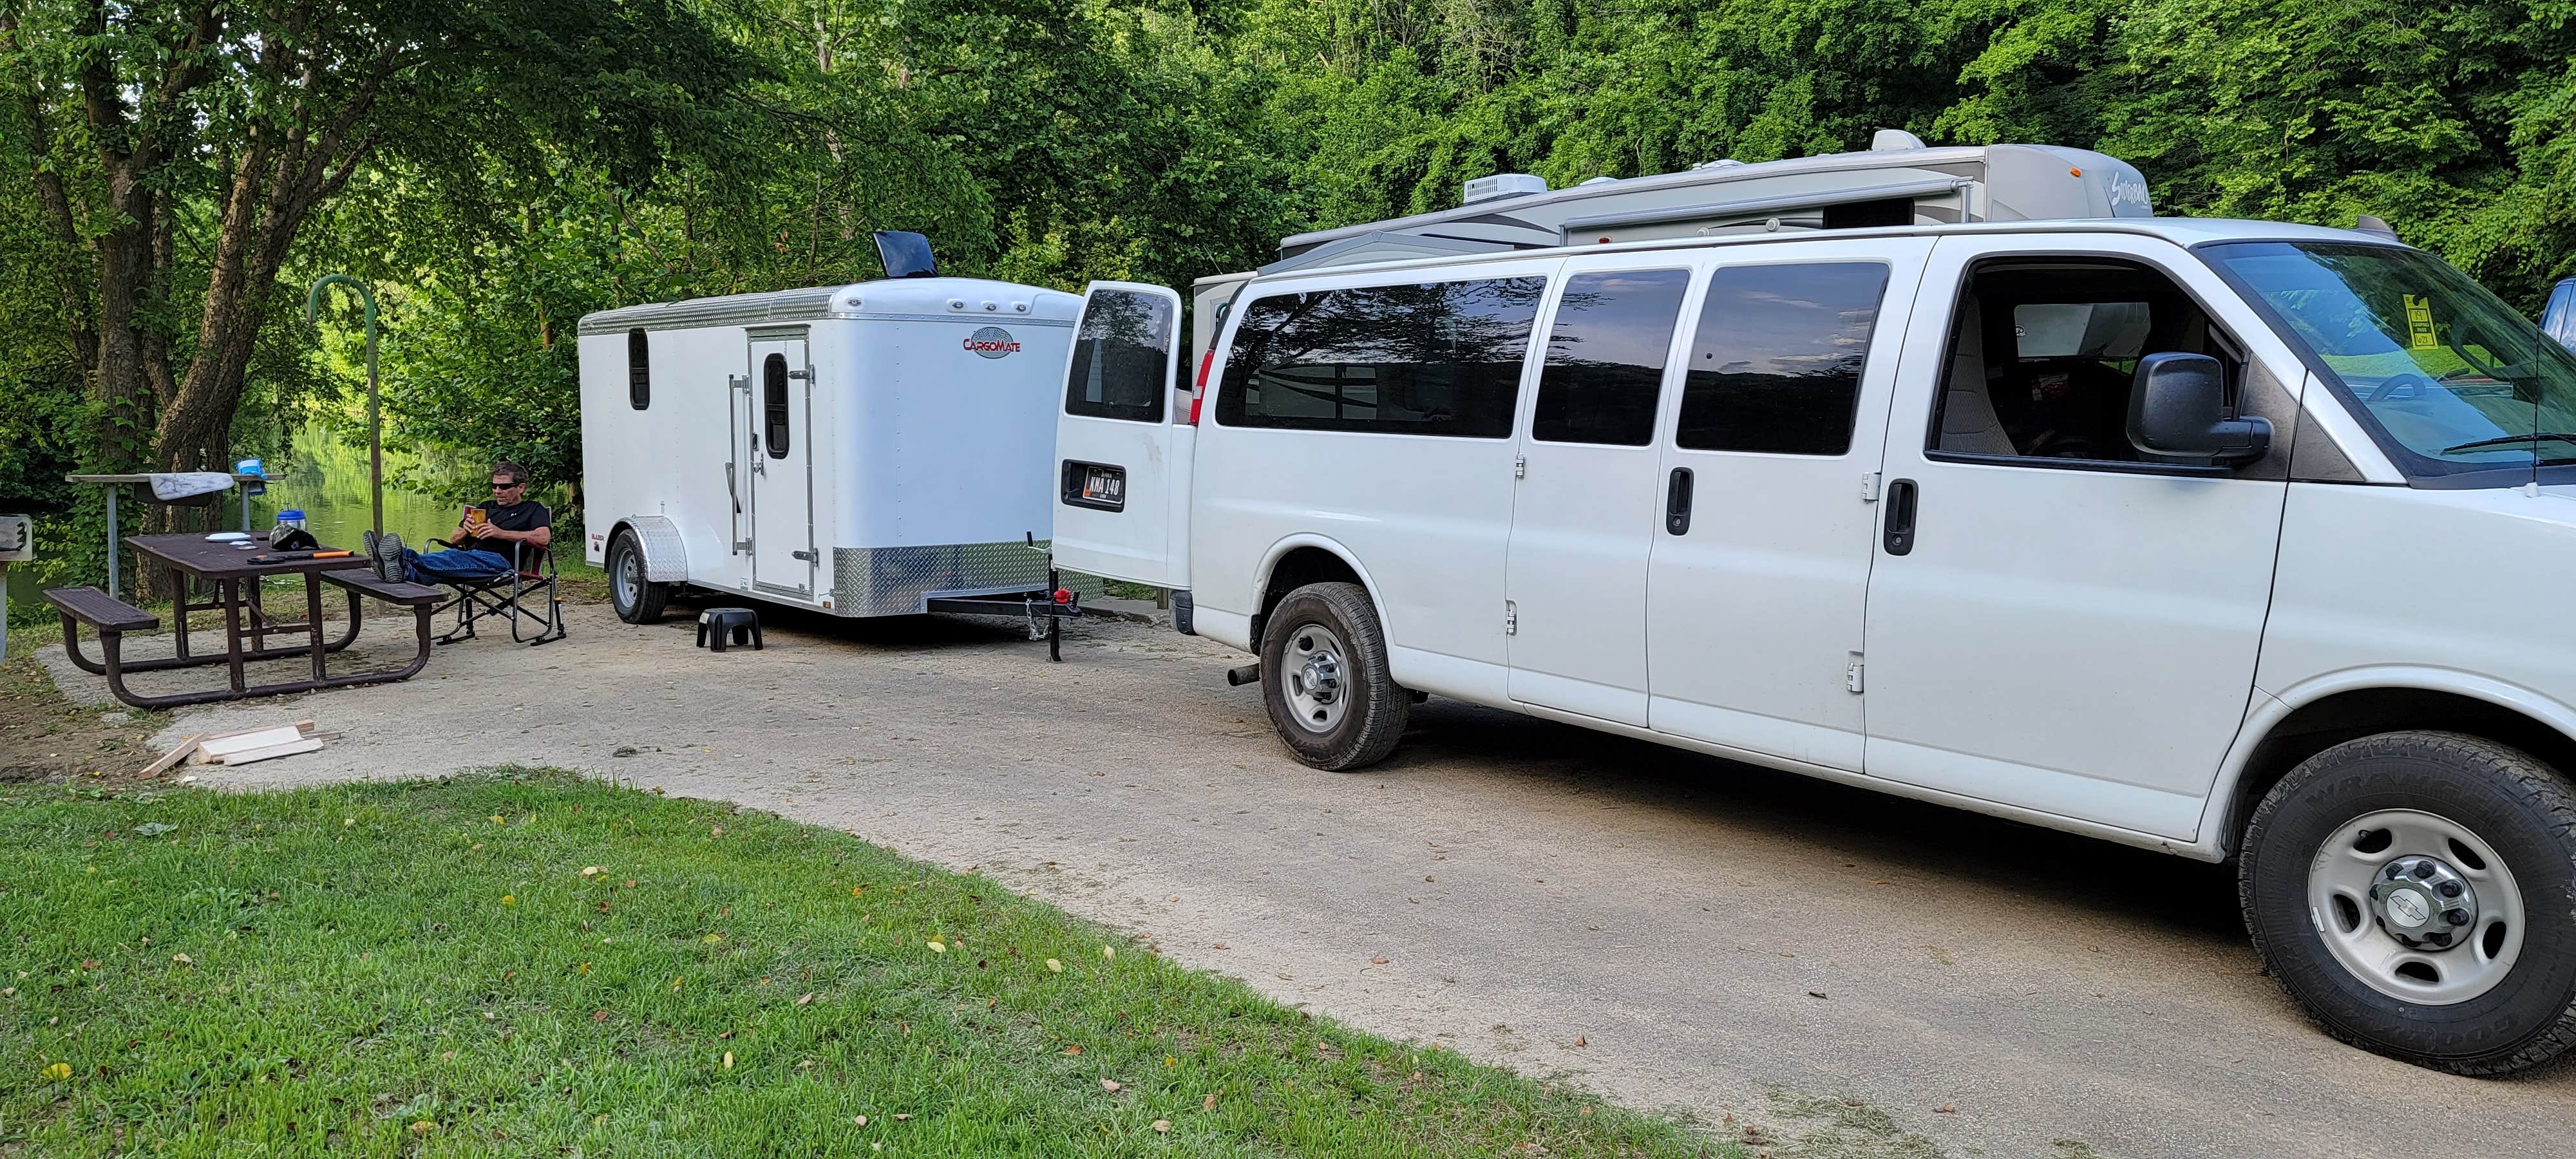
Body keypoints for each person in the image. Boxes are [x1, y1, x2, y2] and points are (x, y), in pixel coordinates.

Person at [364, 462, 552, 585]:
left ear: (521, 487)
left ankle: (401, 556)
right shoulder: (486, 507)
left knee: (453, 559)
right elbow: (453, 538)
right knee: (447, 561)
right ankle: (402, 571)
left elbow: (543, 538)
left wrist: (499, 533)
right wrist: (466, 531)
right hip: (470, 559)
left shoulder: (533, 509)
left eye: (503, 487)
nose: (497, 491)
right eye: (494, 486)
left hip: (501, 564)